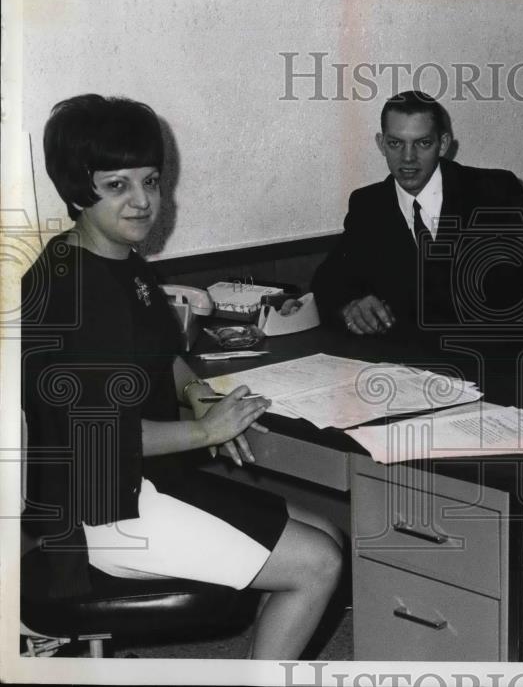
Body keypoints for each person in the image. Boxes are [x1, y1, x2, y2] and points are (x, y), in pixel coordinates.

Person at [21, 95, 343, 659]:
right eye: (117, 185)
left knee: (324, 533)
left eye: (150, 180)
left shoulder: (118, 263)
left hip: (142, 480)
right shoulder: (80, 292)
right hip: (99, 511)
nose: (143, 201)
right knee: (318, 562)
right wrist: (206, 432)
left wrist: (196, 394)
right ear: (78, 188)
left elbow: (162, 354)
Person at [312, 90, 523, 336]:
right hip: (399, 363)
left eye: (423, 143)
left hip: (482, 359)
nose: (408, 158)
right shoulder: (369, 204)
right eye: (395, 143)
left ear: (443, 144)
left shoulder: (493, 192)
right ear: (381, 144)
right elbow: (327, 282)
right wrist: (353, 305)